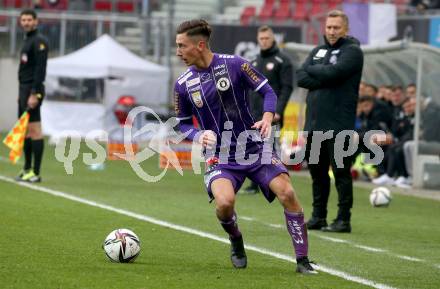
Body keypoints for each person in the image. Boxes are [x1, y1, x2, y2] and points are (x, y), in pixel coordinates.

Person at [174, 19, 316, 274]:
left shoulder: (235, 64)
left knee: (288, 194)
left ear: (200, 44)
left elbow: (269, 92)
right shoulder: (183, 84)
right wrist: (197, 135)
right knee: (225, 203)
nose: (178, 52)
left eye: (182, 46)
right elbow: (181, 124)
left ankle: (303, 260)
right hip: (220, 156)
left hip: (255, 148)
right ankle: (235, 239)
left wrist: (269, 116)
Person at [296, 10, 364, 233]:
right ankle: (319, 216)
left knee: (341, 172)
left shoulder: (352, 52)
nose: (332, 31)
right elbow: (301, 77)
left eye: (336, 27)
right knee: (317, 172)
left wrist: (315, 73)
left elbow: (336, 73)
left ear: (345, 29)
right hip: (315, 124)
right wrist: (323, 75)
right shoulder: (317, 51)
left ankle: (344, 219)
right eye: (329, 27)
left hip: (338, 124)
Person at [241, 25, 294, 194]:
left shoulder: (283, 61)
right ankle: (255, 184)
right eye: (261, 39)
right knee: (252, 148)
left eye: (267, 38)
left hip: (271, 114)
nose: (264, 42)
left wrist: (278, 110)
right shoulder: (254, 61)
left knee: (270, 150)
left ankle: (277, 183)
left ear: (273, 39)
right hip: (254, 113)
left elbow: (287, 88)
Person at [15, 9, 49, 183]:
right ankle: (26, 168)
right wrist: (21, 94)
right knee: (26, 131)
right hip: (24, 90)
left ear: (36, 21)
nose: (26, 22)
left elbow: (40, 70)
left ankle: (35, 172)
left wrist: (34, 93)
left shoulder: (39, 41)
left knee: (35, 130)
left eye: (29, 19)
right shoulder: (27, 40)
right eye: (24, 20)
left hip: (32, 90)